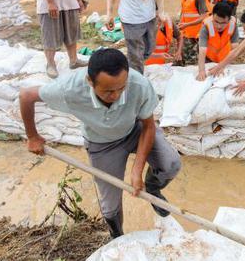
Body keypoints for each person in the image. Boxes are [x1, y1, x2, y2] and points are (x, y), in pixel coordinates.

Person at [20, 48, 182, 239]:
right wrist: (32, 136)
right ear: (90, 82)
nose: (116, 95)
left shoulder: (139, 84)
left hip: (135, 130)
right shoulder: (69, 89)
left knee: (171, 164)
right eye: (108, 91)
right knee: (110, 205)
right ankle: (117, 236)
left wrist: (137, 169)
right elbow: (26, 96)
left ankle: (153, 188)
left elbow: (148, 126)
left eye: (121, 88)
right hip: (102, 144)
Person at [196, 2, 239, 80]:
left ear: (229, 19)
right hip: (208, 58)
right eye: (216, 22)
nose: (219, 26)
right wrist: (201, 71)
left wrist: (222, 65)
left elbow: (235, 49)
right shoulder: (206, 26)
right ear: (212, 16)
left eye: (223, 23)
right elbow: (202, 50)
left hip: (225, 58)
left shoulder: (233, 25)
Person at [174, 0, 209, 65]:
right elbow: (184, 18)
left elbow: (204, 16)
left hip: (198, 37)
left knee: (194, 63)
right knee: (184, 61)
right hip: (187, 35)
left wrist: (187, 25)